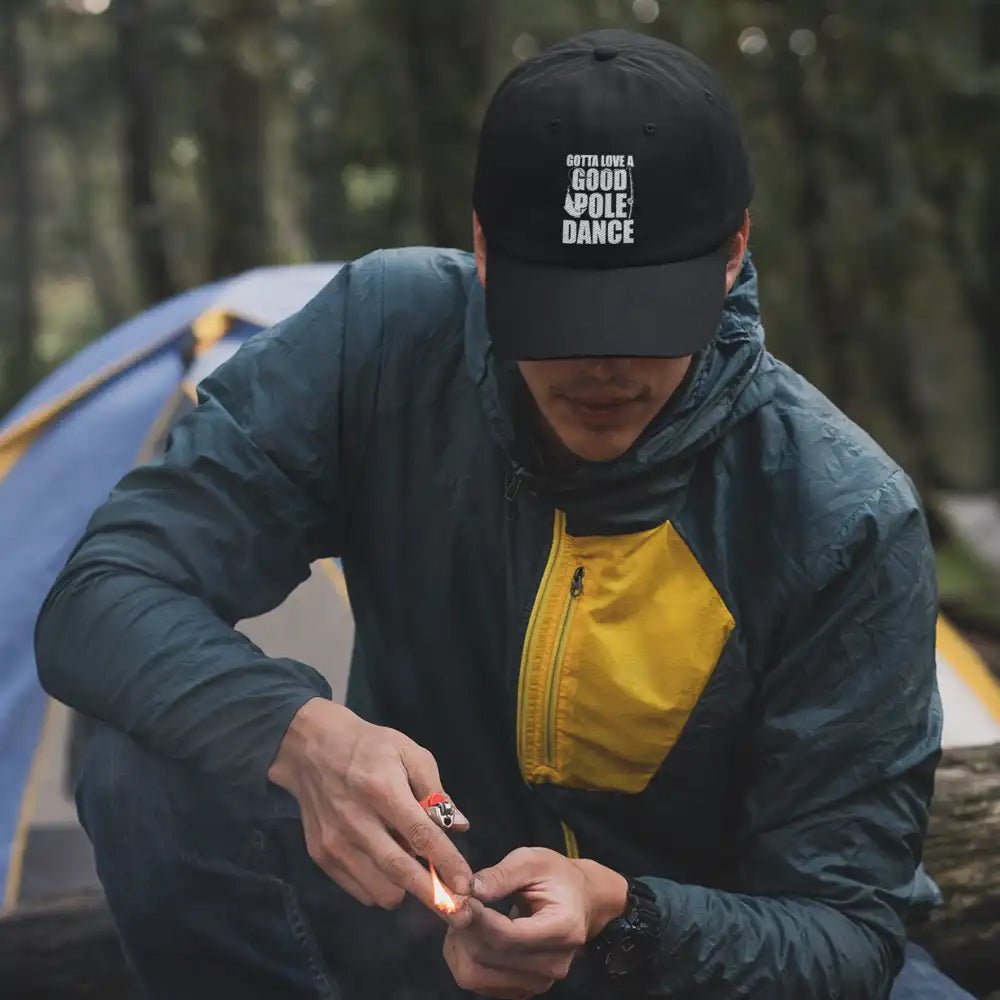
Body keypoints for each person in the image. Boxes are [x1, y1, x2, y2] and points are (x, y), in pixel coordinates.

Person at [34, 28, 972, 1000]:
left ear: (733, 250)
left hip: (677, 961)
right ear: (483, 247)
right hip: (421, 929)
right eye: (560, 315)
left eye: (646, 314)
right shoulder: (385, 341)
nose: (603, 366)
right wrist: (300, 734)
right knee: (148, 747)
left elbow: (847, 927)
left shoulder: (837, 510)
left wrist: (622, 914)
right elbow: (100, 594)